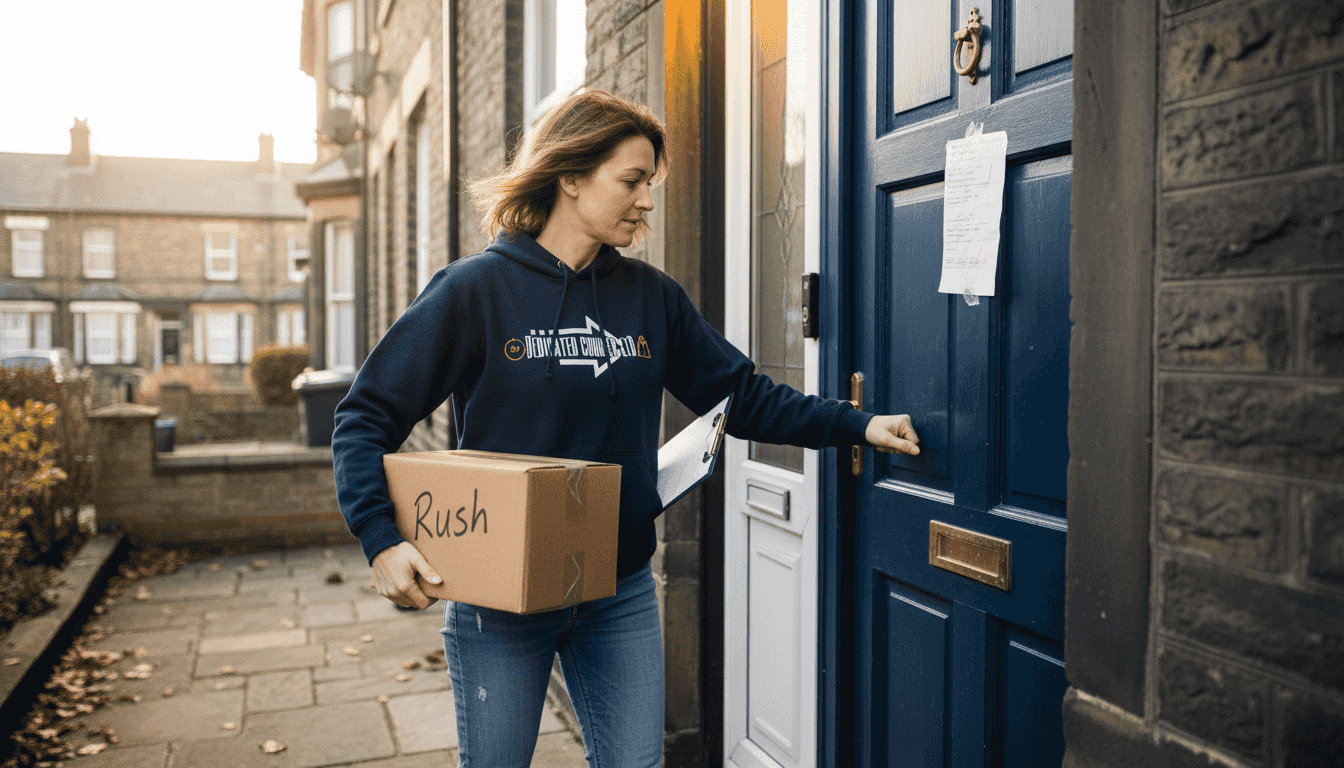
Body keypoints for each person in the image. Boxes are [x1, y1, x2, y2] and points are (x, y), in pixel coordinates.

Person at [331, 89, 919, 767]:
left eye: (651, 183)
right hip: (500, 601)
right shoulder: (475, 291)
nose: (646, 200)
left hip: (619, 588)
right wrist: (380, 538)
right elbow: (365, 415)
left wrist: (858, 424)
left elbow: (742, 397)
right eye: (632, 180)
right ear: (571, 176)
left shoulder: (651, 297)